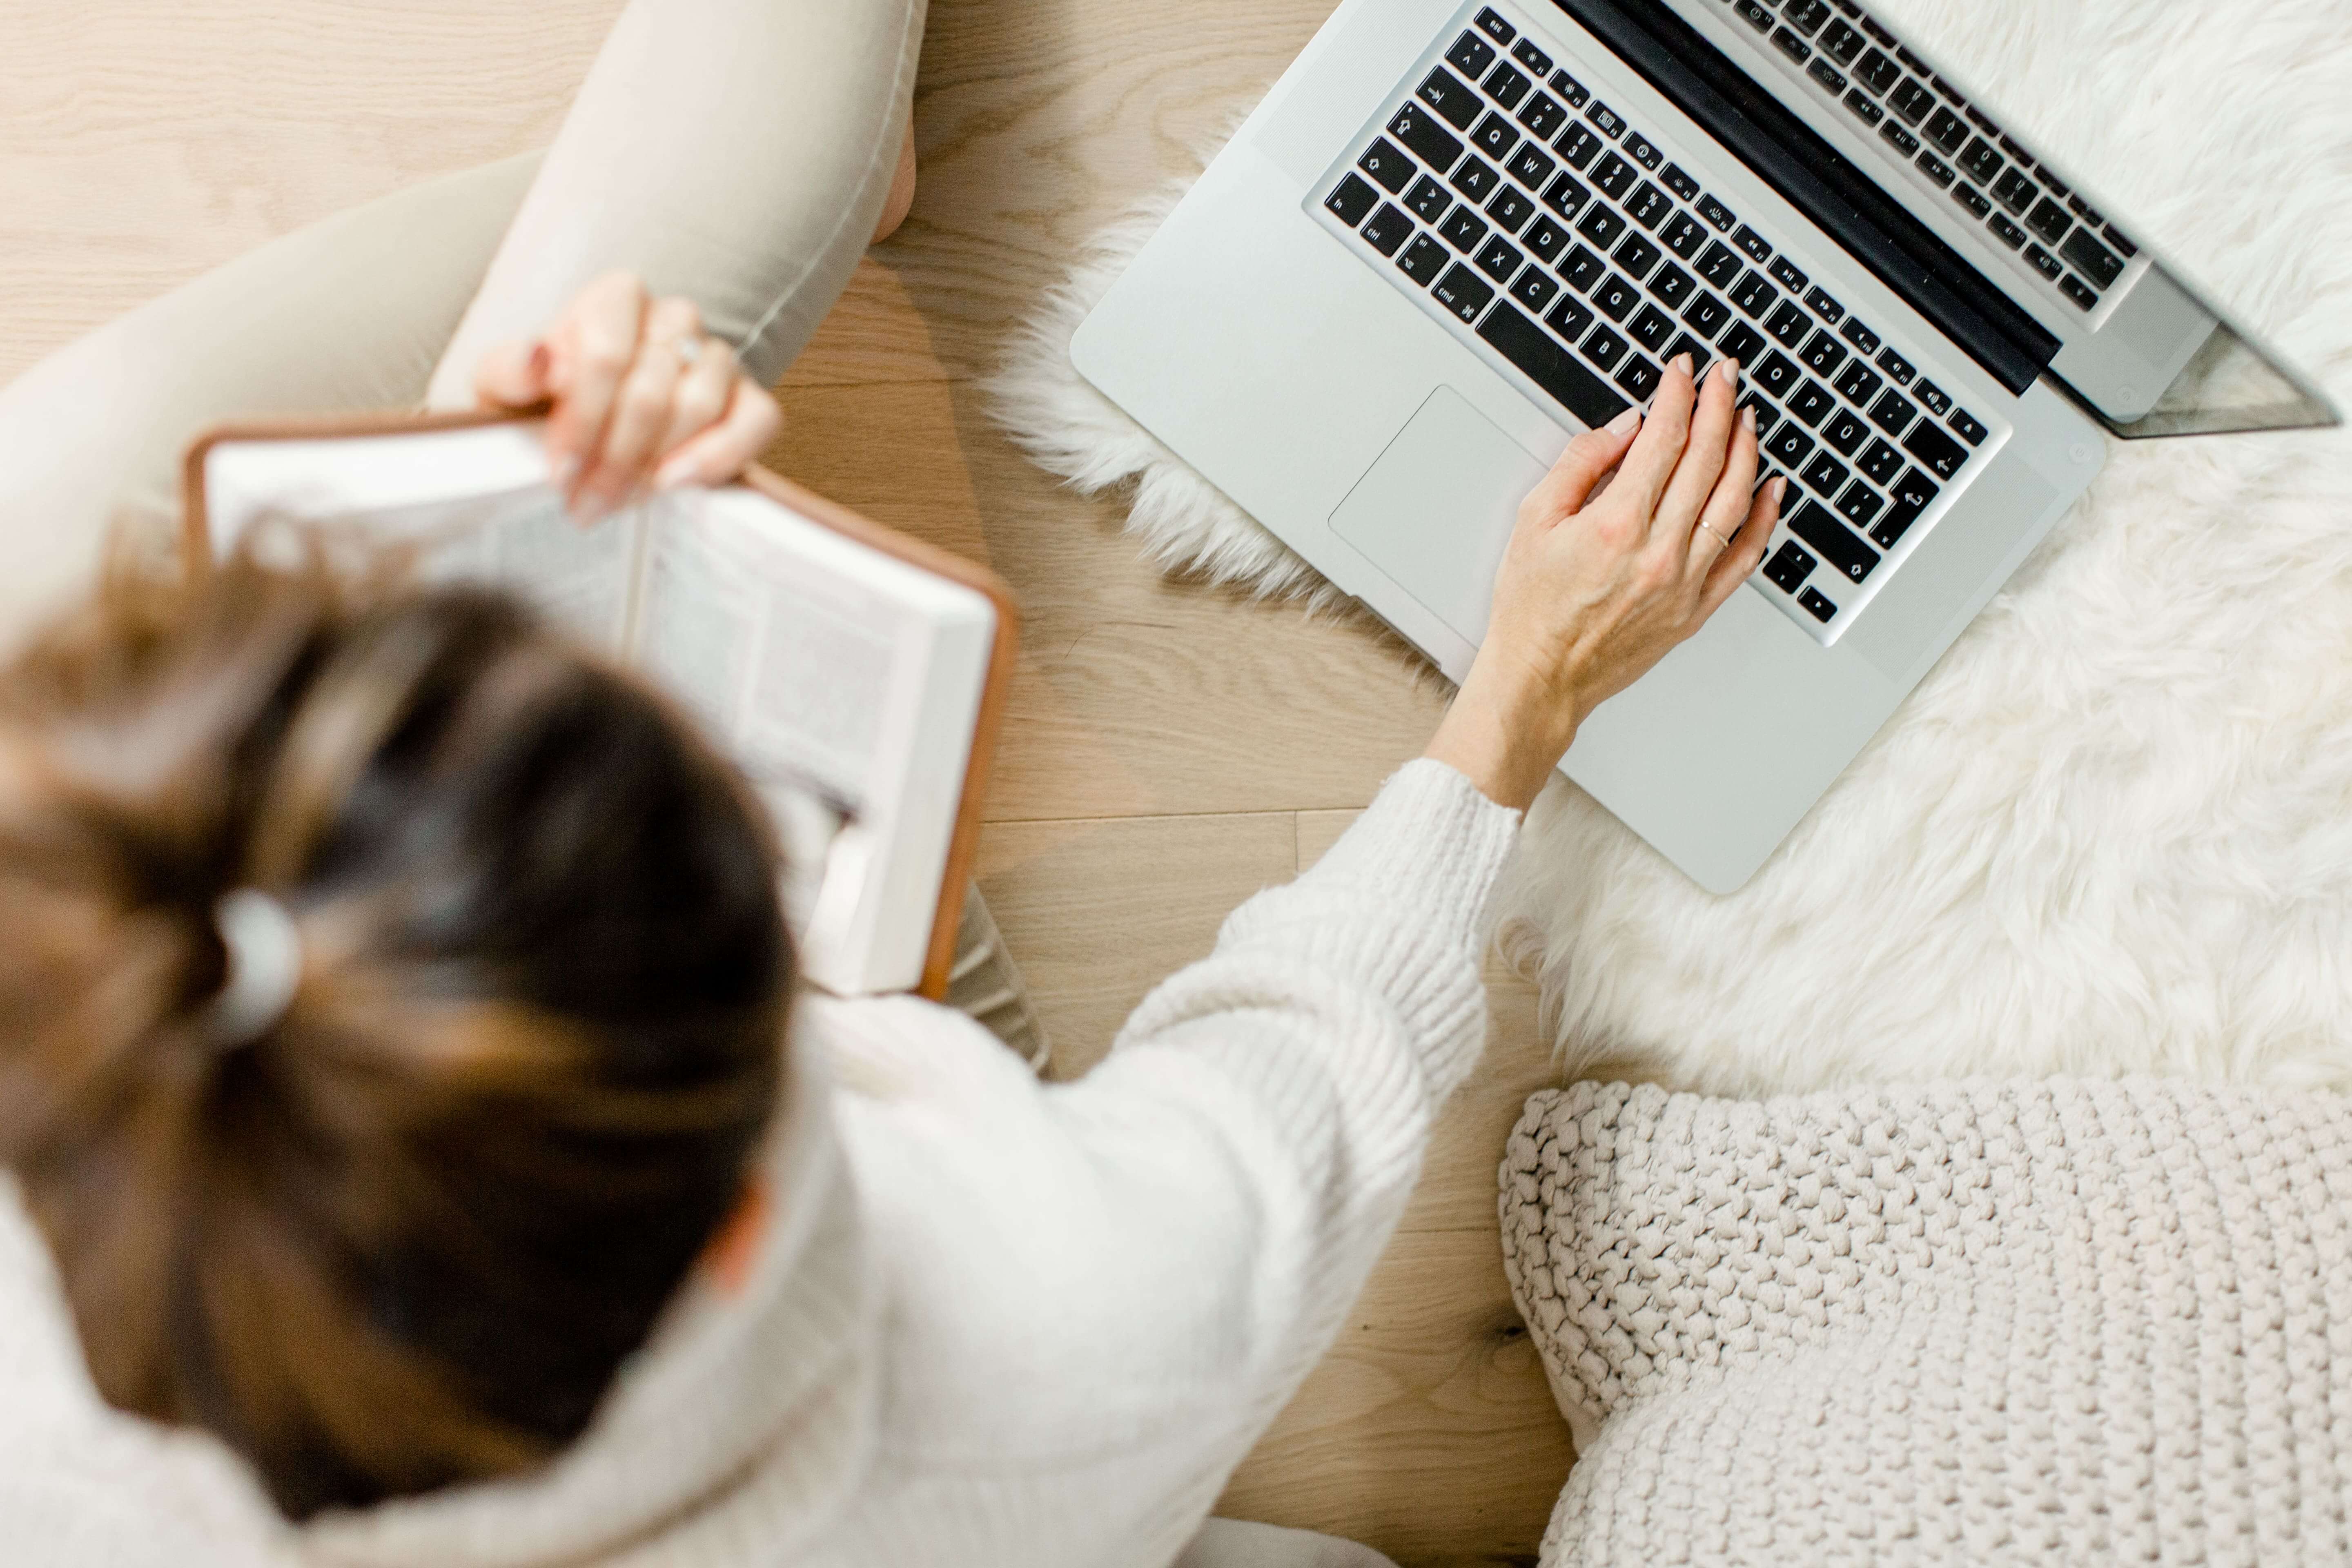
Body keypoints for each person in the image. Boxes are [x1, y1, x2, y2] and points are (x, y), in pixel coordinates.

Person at [0, 1, 1784, 1564]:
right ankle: (819, 187)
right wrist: (1529, 689)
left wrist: (517, 461)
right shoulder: (1061, 1327)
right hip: (964, 1308)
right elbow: (1315, 1046)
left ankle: (801, 200)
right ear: (769, 1174)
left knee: (58, 486)